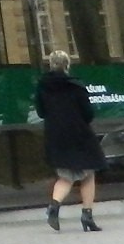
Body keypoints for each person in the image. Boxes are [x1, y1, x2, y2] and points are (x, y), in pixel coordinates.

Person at [34, 51, 106, 231]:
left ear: (50, 64)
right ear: (67, 65)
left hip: (55, 136)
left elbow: (41, 112)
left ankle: (54, 206)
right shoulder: (76, 86)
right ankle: (87, 216)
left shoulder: (42, 86)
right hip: (79, 135)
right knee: (88, 173)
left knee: (65, 176)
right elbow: (88, 113)